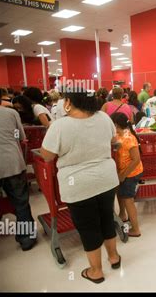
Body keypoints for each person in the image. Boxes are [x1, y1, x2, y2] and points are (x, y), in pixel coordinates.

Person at [40, 89, 121, 284]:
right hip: (107, 178)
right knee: (107, 219)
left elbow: (47, 155)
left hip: (78, 184)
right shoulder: (103, 118)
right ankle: (114, 257)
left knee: (88, 227)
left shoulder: (59, 126)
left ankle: (96, 271)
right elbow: (113, 141)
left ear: (68, 101)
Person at [0, 95, 37, 251]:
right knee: (20, 201)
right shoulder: (10, 113)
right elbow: (20, 136)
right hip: (11, 162)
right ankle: (26, 238)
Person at [111, 113, 144, 238]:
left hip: (131, 173)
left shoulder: (128, 138)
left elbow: (136, 159)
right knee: (120, 192)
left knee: (128, 200)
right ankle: (122, 215)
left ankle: (136, 229)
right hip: (124, 172)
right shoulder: (120, 135)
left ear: (115, 125)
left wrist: (123, 175)